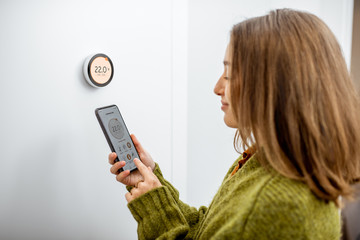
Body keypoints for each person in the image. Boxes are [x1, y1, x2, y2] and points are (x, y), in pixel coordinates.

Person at [108, 9, 360, 239]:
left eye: (229, 74)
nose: (217, 88)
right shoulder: (263, 161)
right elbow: (206, 229)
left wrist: (153, 208)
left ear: (275, 87)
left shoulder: (280, 208)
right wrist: (152, 182)